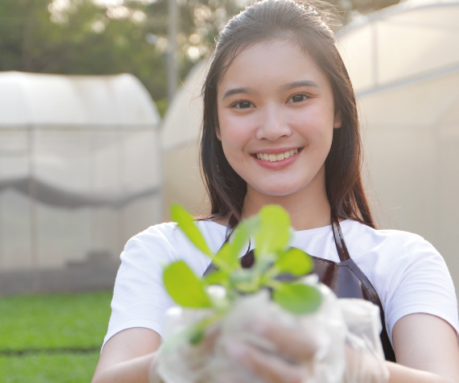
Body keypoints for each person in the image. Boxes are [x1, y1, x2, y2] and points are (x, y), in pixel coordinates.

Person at [92, 0, 459, 382]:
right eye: (243, 104)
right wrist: (203, 348)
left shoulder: (402, 259)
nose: (272, 128)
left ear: (338, 110)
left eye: (298, 97)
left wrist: (346, 364)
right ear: (216, 124)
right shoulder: (166, 250)